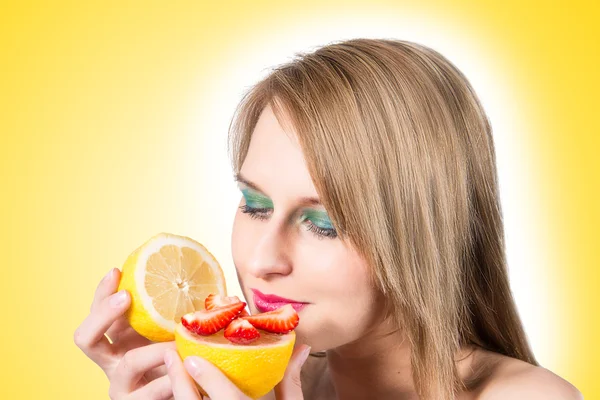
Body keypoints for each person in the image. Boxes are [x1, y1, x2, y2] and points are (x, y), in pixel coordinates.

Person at [74, 38, 582, 399]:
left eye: (323, 224)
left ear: (422, 236)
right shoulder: (251, 389)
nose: (260, 259)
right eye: (255, 207)